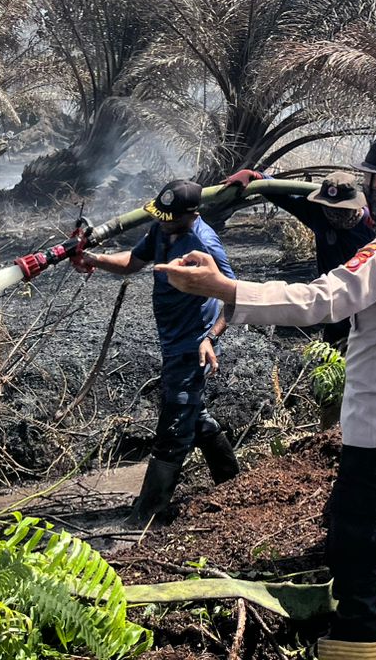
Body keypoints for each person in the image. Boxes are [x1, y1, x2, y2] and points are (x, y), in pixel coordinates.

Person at [158, 137, 376, 660]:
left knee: (359, 556)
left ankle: (359, 645)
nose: (368, 192)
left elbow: (322, 299)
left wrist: (225, 289)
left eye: (373, 182)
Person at [72, 178, 240, 525]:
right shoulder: (162, 230)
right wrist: (93, 258)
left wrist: (210, 337)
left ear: (190, 214)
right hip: (171, 339)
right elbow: (134, 262)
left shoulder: (204, 244)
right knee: (196, 417)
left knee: (175, 424)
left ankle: (148, 512)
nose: (160, 221)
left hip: (194, 345)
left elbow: (235, 297)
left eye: (167, 217)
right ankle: (234, 484)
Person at [219, 167, 376, 345]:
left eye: (340, 210)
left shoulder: (375, 229)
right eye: (329, 209)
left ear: (355, 206)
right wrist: (256, 177)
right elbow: (284, 196)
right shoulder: (317, 214)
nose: (333, 216)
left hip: (366, 309)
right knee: (331, 357)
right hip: (332, 306)